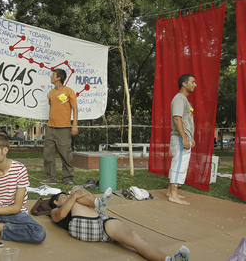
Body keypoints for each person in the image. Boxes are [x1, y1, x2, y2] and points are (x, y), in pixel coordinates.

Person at [49, 187, 191, 261]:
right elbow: (61, 215)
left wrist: (82, 191)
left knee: (134, 237)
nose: (67, 197)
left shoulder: (77, 200)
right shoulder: (55, 210)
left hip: (102, 221)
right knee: (78, 200)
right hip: (82, 225)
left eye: (67, 195)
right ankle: (97, 202)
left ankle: (168, 260)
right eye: (63, 196)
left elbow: (92, 203)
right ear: (56, 201)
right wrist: (74, 196)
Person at [41, 68, 78, 186]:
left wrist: (74, 126)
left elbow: (75, 109)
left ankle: (68, 178)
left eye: (53, 75)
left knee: (65, 154)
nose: (51, 76)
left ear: (59, 78)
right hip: (51, 128)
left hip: (64, 129)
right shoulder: (51, 93)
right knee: (47, 154)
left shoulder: (69, 91)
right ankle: (51, 177)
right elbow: (53, 108)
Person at [166, 74, 196, 205]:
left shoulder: (184, 100)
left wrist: (190, 138)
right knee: (179, 165)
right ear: (184, 84)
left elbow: (186, 121)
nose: (195, 84)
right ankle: (173, 195)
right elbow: (177, 118)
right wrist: (184, 138)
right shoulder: (179, 99)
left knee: (177, 163)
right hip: (179, 138)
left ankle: (169, 191)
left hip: (182, 138)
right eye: (192, 82)